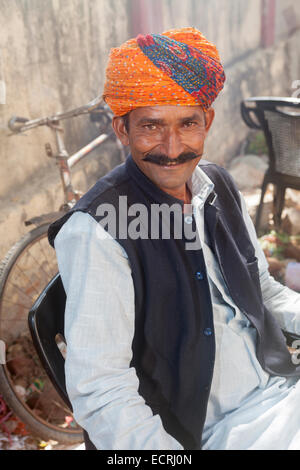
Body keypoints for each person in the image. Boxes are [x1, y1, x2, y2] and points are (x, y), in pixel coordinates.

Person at [48, 28, 300, 450]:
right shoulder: (99, 231)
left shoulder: (216, 184)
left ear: (208, 122)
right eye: (151, 126)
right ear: (122, 130)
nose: (172, 147)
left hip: (281, 391)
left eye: (188, 124)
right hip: (216, 434)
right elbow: (102, 391)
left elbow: (263, 292)